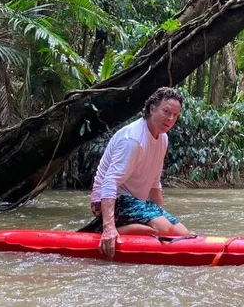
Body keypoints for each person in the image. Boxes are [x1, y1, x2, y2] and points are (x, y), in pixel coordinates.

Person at [79, 87, 189, 258]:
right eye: (166, 112)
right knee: (165, 229)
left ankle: (134, 227)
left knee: (181, 233)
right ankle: (100, 229)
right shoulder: (133, 140)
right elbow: (110, 182)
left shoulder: (163, 138)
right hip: (110, 198)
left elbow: (154, 183)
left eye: (175, 115)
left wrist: (158, 213)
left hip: (135, 201)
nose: (170, 119)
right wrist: (109, 228)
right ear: (152, 108)